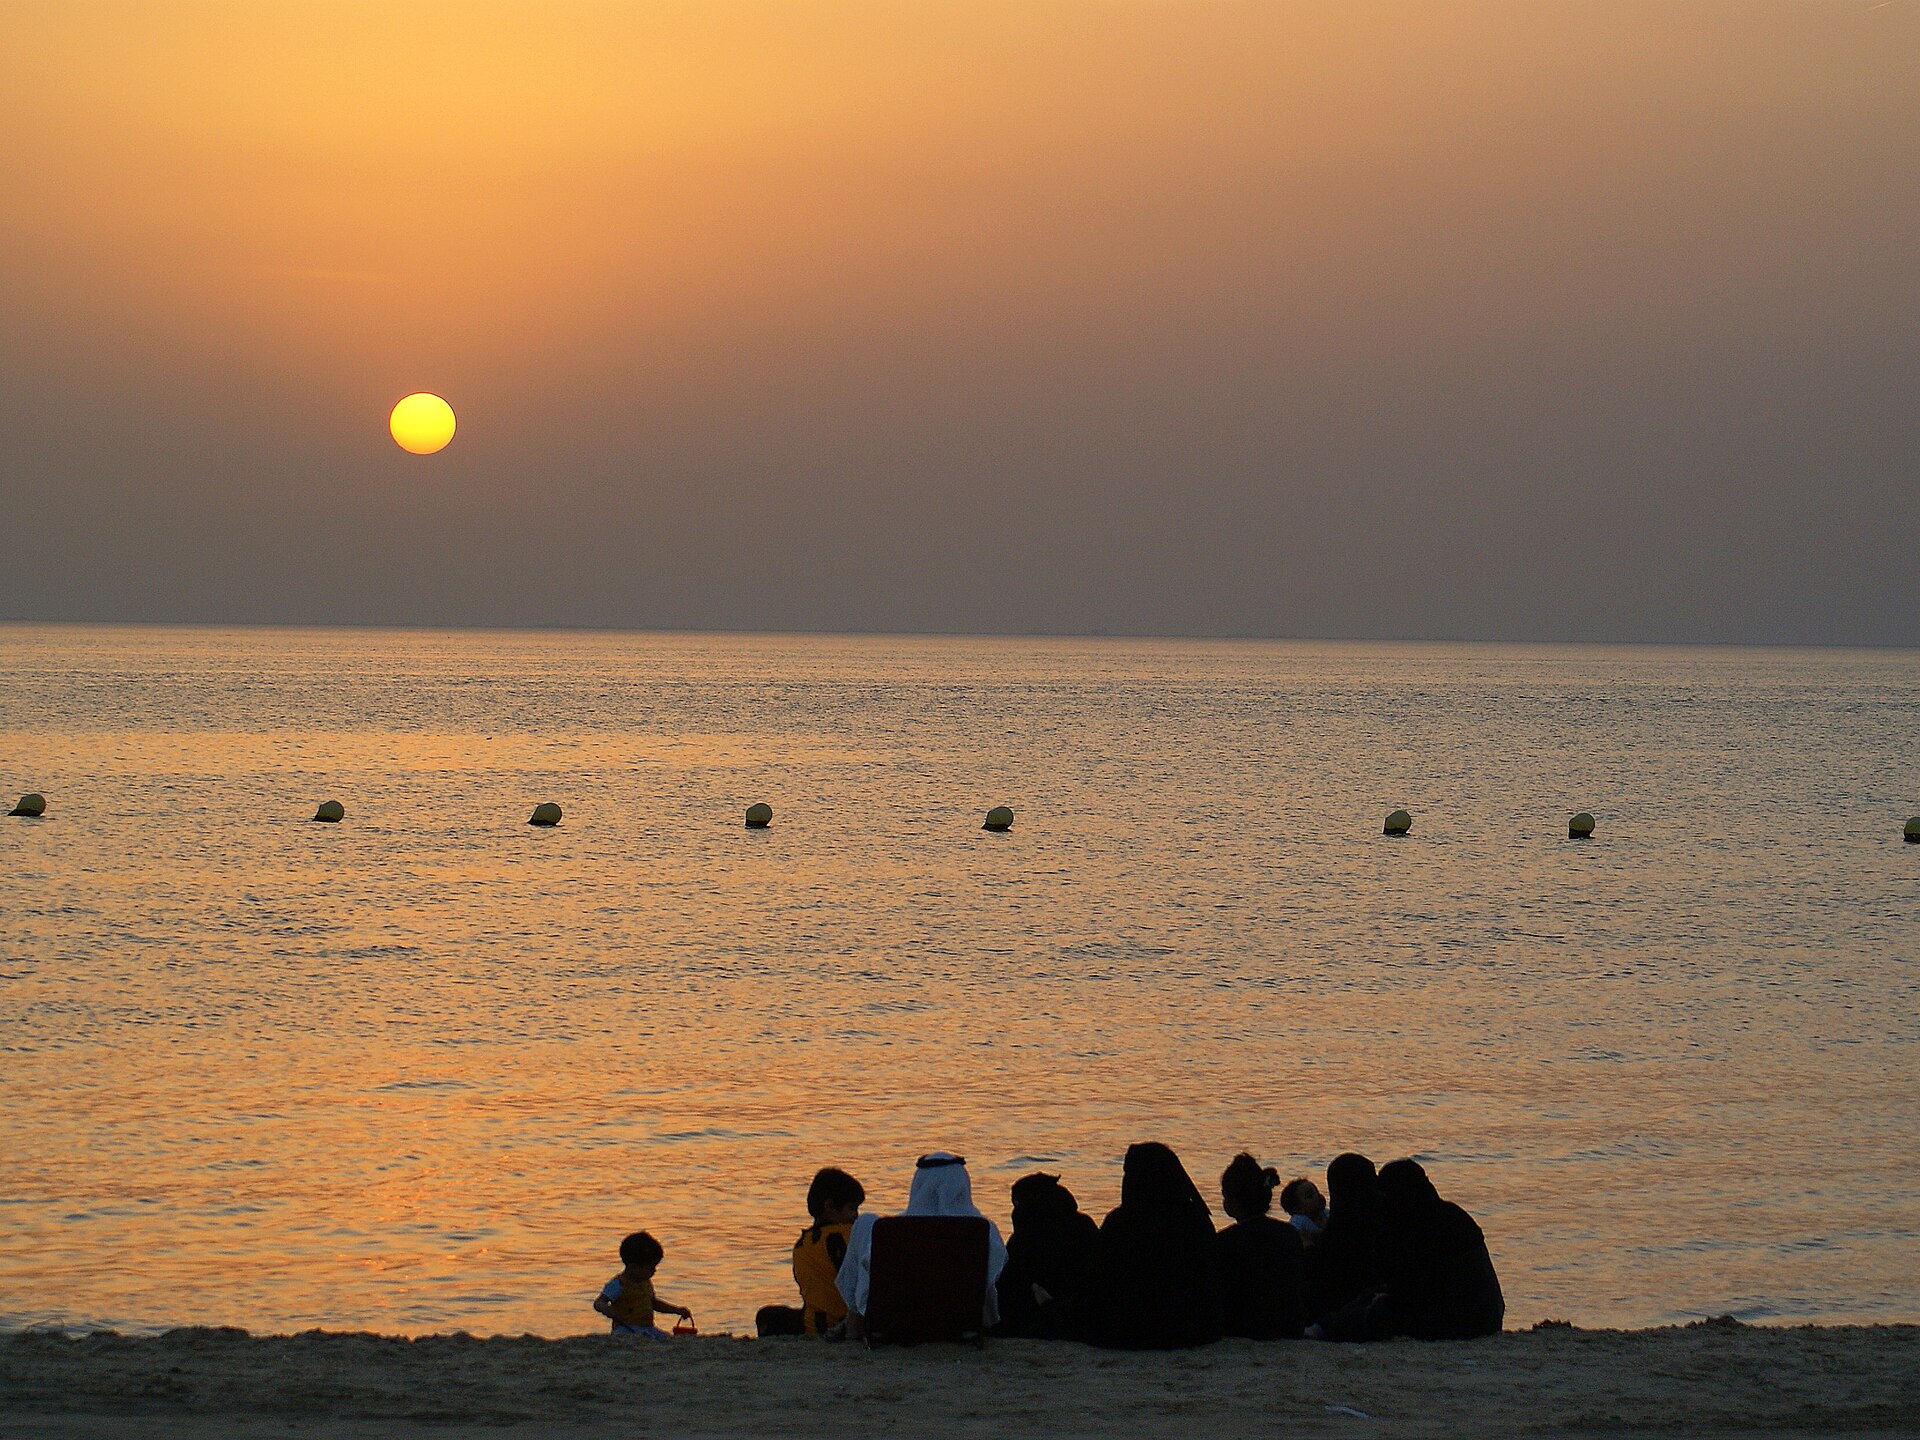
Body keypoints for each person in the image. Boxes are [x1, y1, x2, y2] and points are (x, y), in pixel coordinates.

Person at [1318, 1159, 1504, 1341]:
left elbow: (1407, 1291)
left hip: (1454, 1324)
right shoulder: (1452, 1214)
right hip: (1489, 1319)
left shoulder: (1415, 1227)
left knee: (1375, 1313)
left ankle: (1321, 1329)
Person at [836, 1152, 1008, 1336]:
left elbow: (869, 1271)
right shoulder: (983, 1229)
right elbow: (991, 1286)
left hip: (896, 1321)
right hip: (961, 1323)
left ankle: (853, 1322)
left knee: (865, 1222)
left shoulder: (892, 1230)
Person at [1085, 1142, 1223, 1349]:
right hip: (1193, 1331)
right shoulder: (1196, 1219)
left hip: (1129, 1332)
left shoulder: (1121, 1223)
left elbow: (1098, 1284)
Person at [756, 1167, 866, 1338]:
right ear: (829, 1206)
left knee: (767, 1315)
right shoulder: (847, 1235)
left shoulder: (802, 1244)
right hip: (844, 1323)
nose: (856, 1216)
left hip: (812, 1325)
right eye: (852, 1209)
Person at [993, 1172, 1101, 1339]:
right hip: (1084, 1316)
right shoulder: (1084, 1224)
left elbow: (1010, 1285)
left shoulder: (1027, 1236)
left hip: (1036, 1319)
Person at [1213, 1153, 1308, 1340]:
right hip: (1290, 1326)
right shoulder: (1288, 1234)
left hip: (1243, 1329)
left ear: (1234, 1202)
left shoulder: (1225, 1242)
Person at [1305, 1152, 1380, 1325]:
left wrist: (1308, 1246)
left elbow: (1320, 1271)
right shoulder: (1380, 1219)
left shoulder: (1340, 1227)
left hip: (1342, 1309)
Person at [593, 1230, 691, 1338]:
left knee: (666, 1338)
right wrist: (609, 1310)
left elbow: (653, 1303)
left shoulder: (645, 1282)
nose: (654, 1271)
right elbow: (599, 1302)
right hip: (625, 1328)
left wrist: (676, 1310)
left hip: (647, 1327)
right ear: (634, 1267)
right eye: (650, 1268)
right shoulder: (619, 1284)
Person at [1278, 1176, 1328, 1245]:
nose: (1318, 1196)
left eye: (1317, 1191)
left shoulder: (1326, 1213)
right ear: (1298, 1209)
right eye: (1310, 1195)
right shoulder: (1299, 1220)